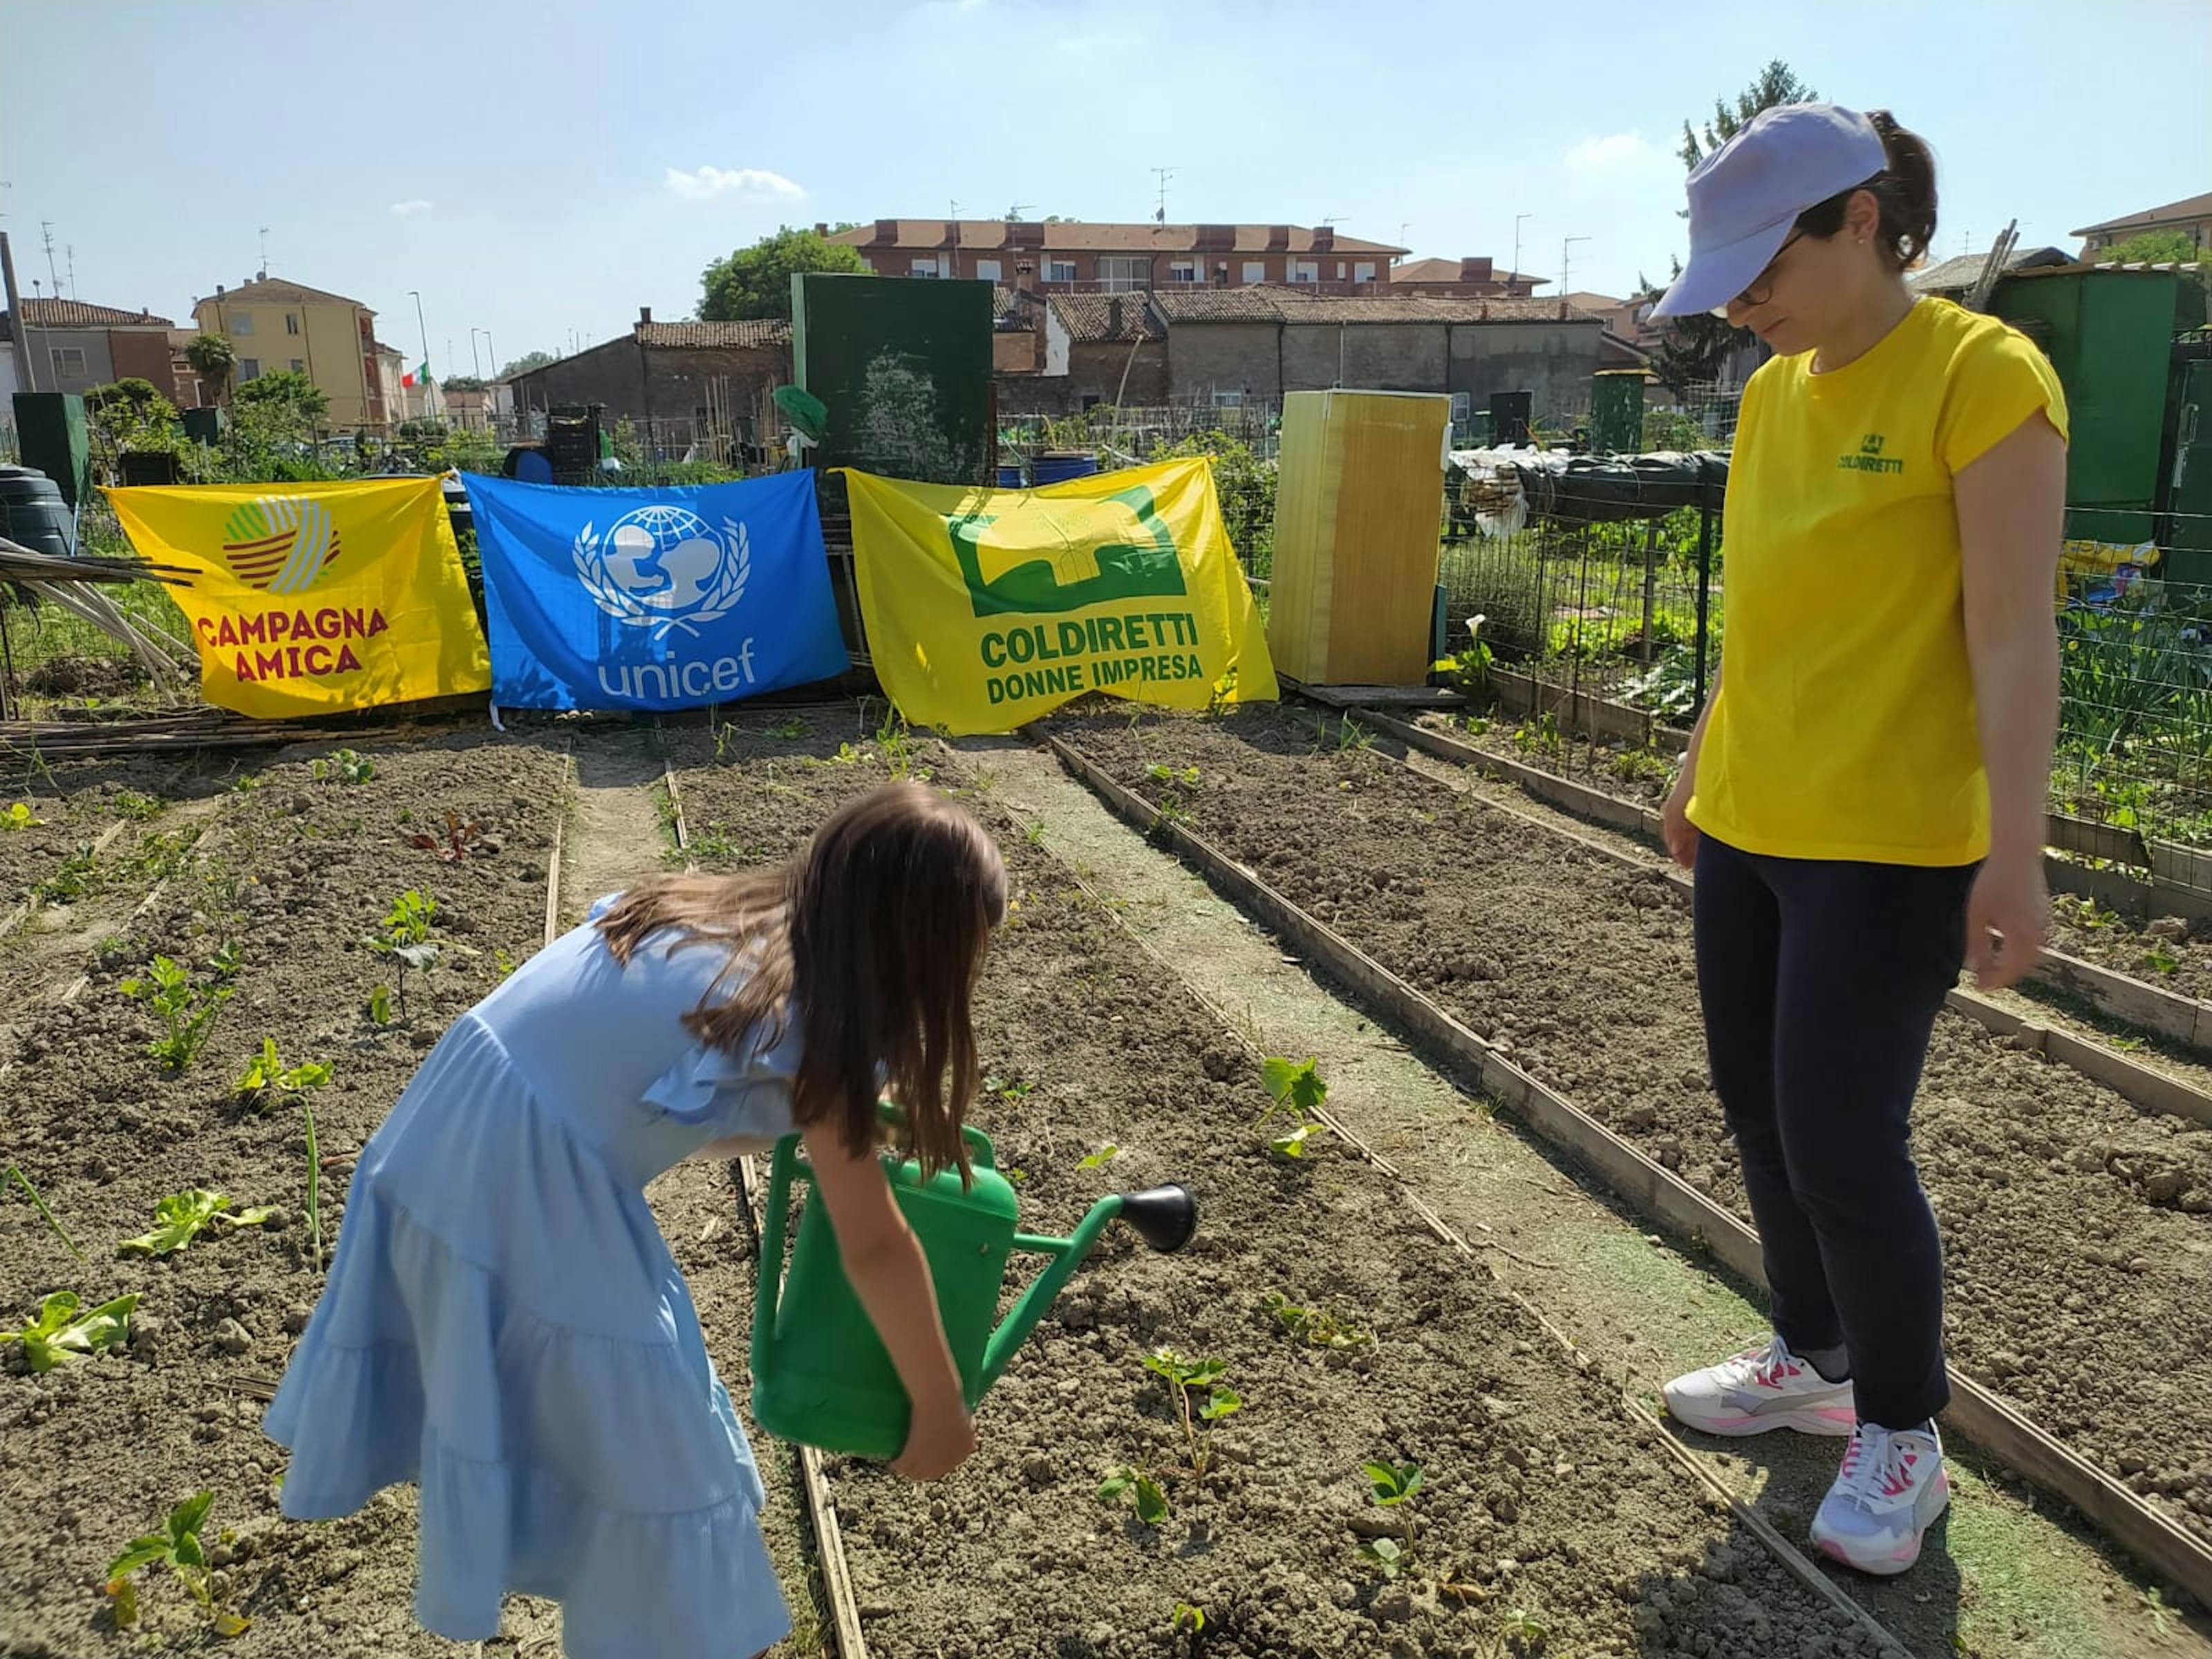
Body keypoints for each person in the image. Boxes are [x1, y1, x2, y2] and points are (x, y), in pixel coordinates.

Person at [263, 782, 1006, 1656]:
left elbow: (680, 1097)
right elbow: (875, 1245)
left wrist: (852, 1114)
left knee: (635, 1406)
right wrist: (939, 1403)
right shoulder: (815, 1024)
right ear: (918, 949)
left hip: (449, 1131)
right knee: (659, 1450)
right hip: (523, 1184)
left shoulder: (716, 920)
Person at [1648, 104, 2068, 1575]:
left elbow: (2013, 640)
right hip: (1756, 820)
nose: (1747, 306)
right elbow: (1762, 611)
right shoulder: (1773, 397)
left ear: (1863, 219)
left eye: (1767, 270)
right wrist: (1704, 754)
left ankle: (1903, 1431)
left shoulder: (1980, 377)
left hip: (1889, 844)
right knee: (1757, 1111)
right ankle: (1812, 1360)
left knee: (1842, 1139)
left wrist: (2015, 855)